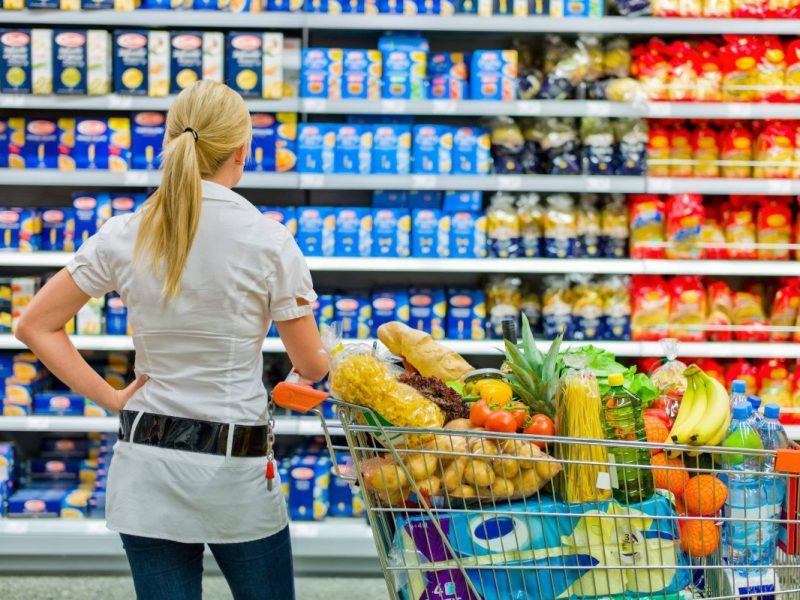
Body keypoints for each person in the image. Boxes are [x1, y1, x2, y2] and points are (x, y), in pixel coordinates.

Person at [16, 80, 329, 600]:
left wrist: (111, 397)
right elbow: (311, 366)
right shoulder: (270, 241)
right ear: (241, 152)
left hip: (146, 466)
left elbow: (34, 324)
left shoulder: (125, 232)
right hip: (236, 468)